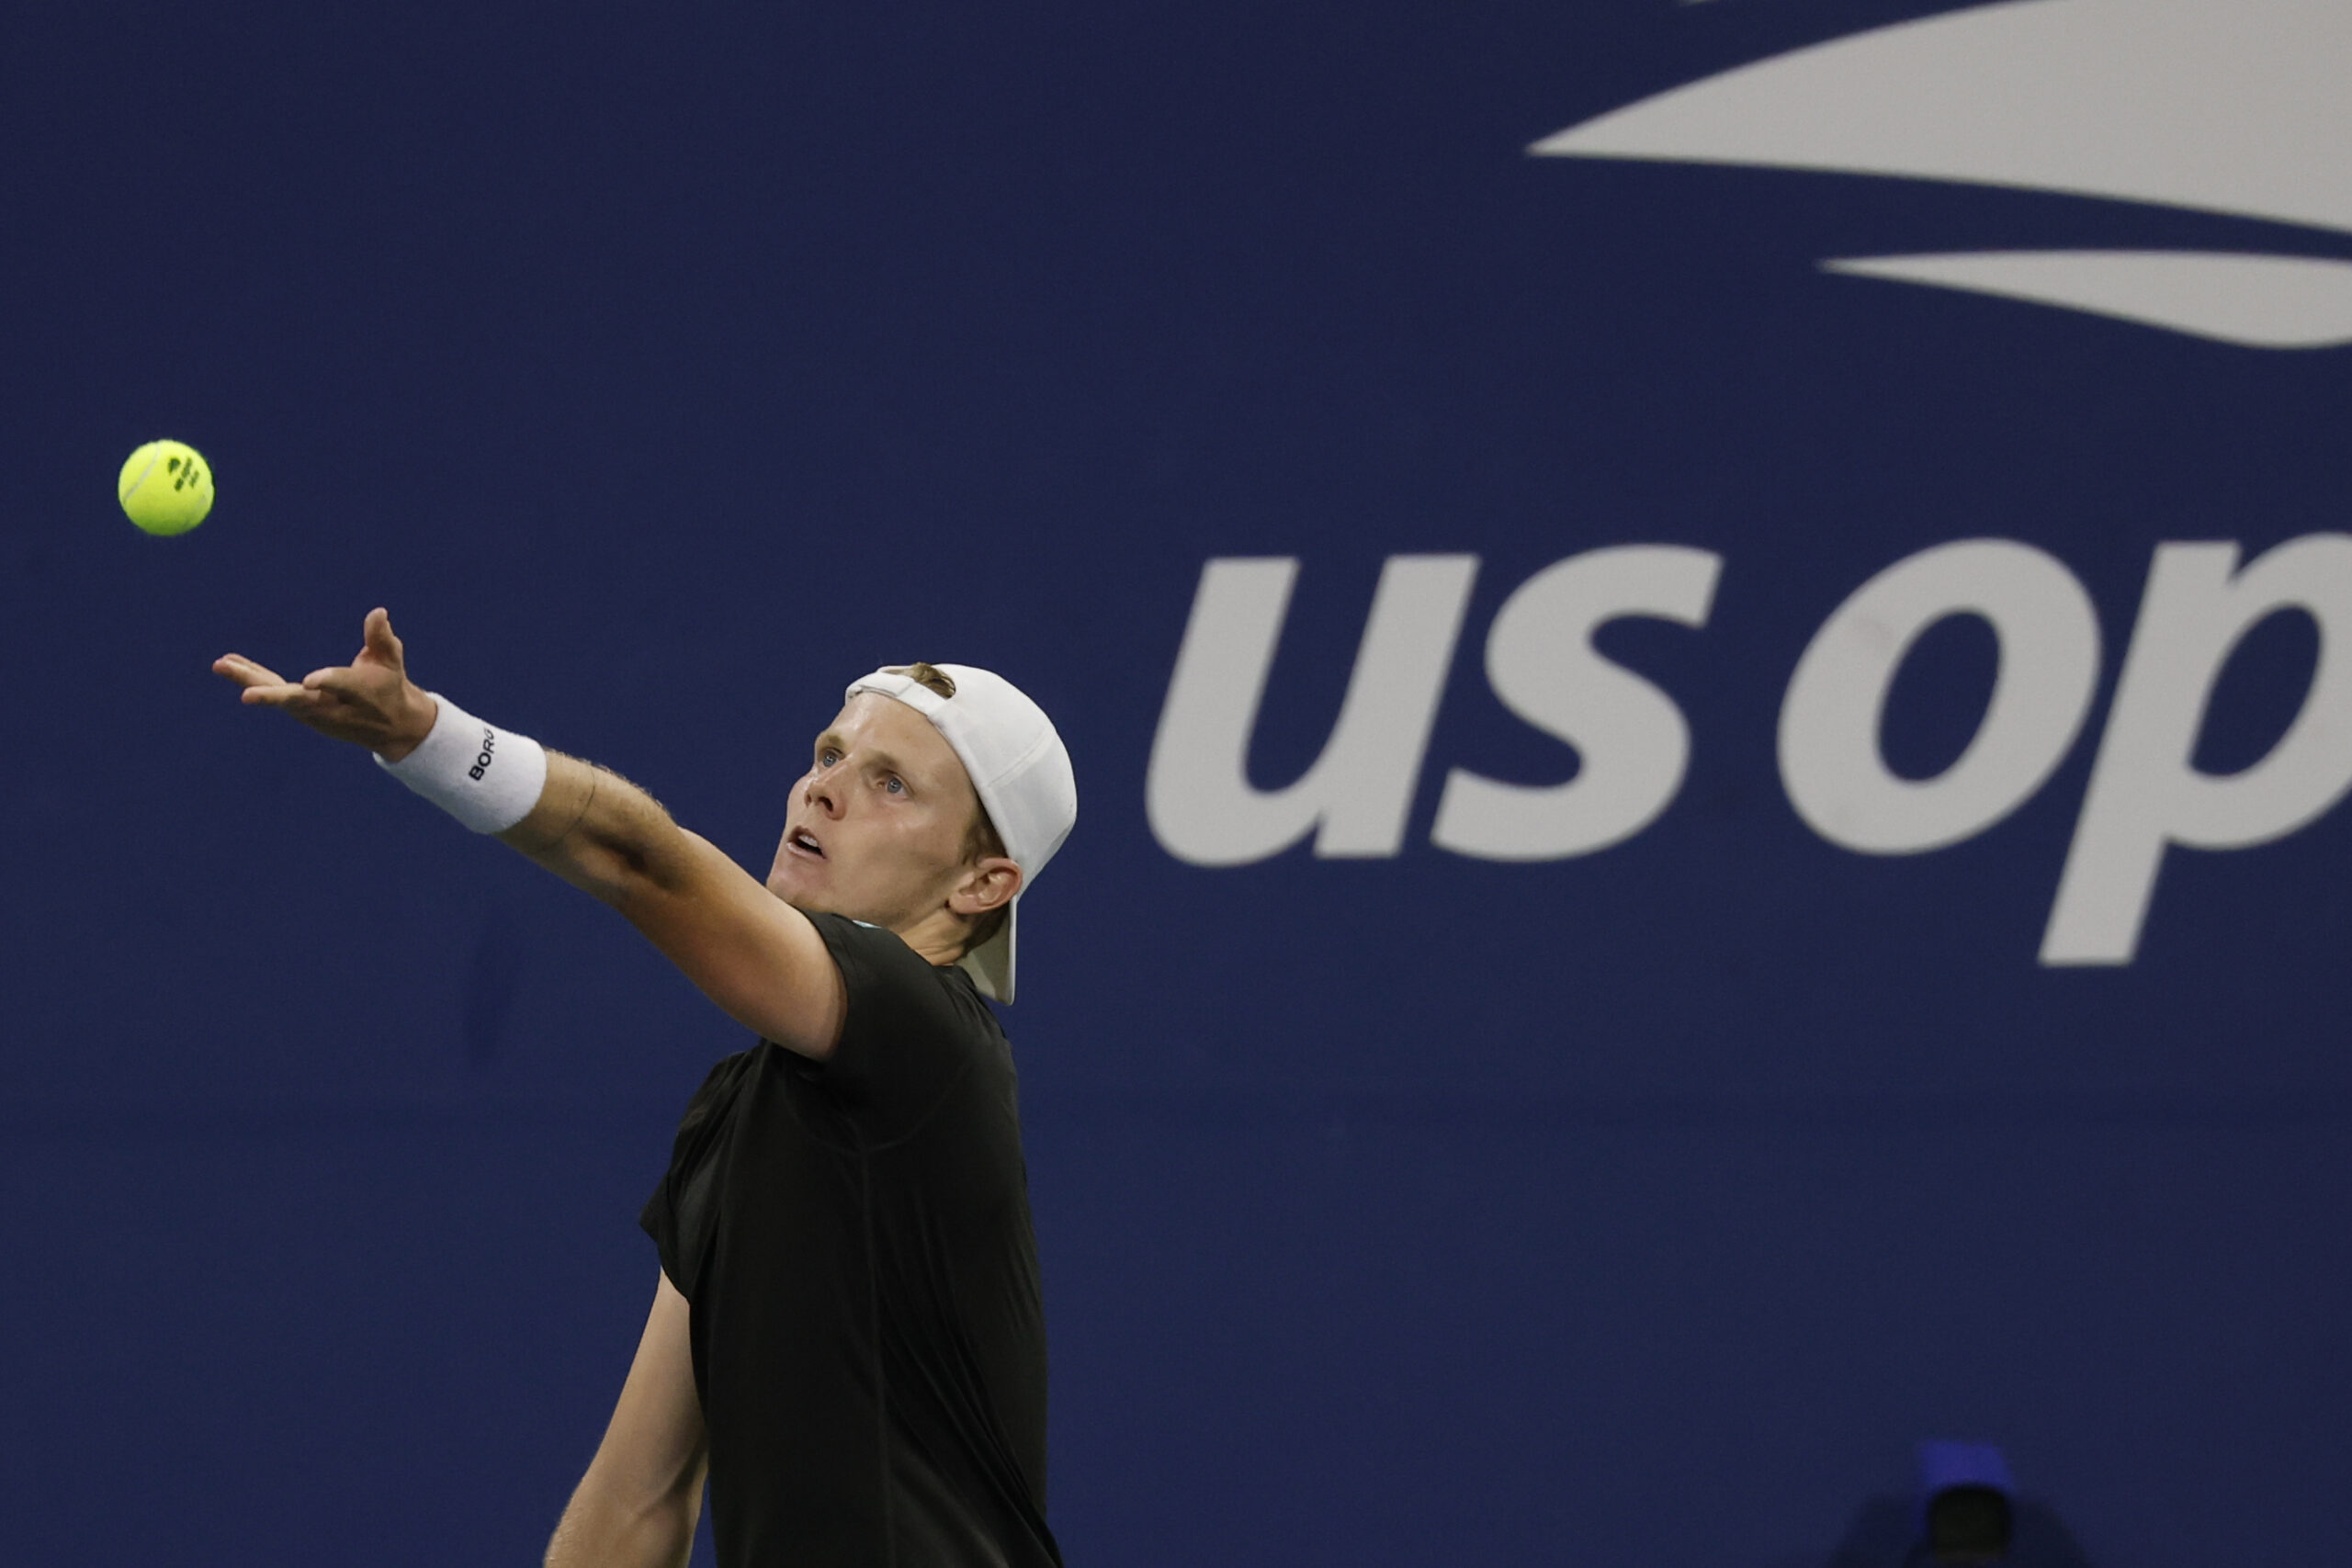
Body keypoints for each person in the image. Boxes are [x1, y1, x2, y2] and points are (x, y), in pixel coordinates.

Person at [215, 608, 1076, 1568]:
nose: (823, 790)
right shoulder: (736, 1109)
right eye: (829, 755)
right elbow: (639, 1499)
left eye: (891, 784)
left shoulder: (929, 1039)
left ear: (981, 884)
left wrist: (430, 738)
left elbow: (644, 864)